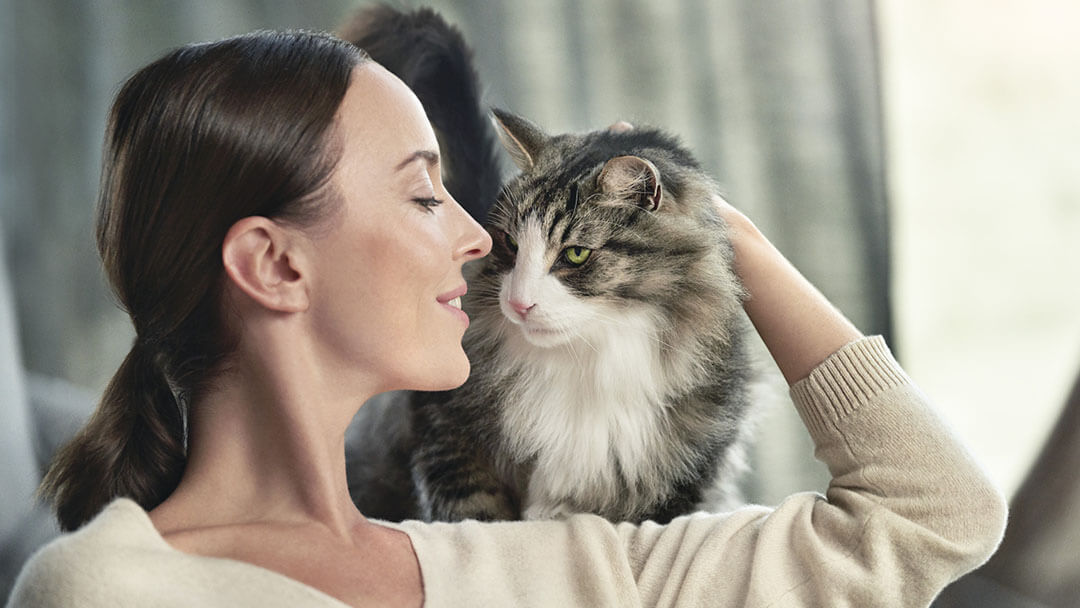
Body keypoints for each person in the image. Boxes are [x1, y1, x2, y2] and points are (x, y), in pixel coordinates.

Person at [7, 29, 1006, 608]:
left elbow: (935, 511)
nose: (477, 237)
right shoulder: (107, 585)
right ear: (273, 262)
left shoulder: (559, 564)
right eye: (421, 194)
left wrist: (710, 219)